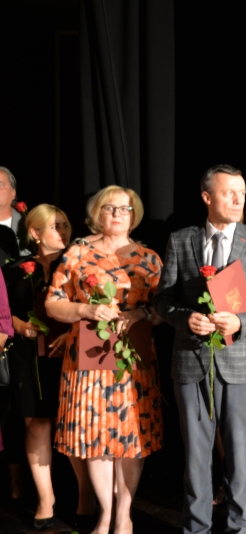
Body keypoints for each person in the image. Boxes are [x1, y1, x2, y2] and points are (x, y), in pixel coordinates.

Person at [154, 164, 246, 534]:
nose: (239, 199)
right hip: (191, 361)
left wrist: (242, 323)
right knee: (196, 454)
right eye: (230, 193)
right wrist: (185, 319)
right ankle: (197, 527)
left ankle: (244, 526)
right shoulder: (181, 240)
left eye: (242, 192)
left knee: (240, 453)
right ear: (207, 197)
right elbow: (163, 300)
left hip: (241, 363)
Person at [45, 186, 164, 534]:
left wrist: (141, 313)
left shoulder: (149, 258)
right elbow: (53, 303)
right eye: (110, 208)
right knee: (94, 437)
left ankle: (124, 514)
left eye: (125, 209)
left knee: (131, 437)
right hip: (88, 358)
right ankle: (106, 513)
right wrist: (86, 310)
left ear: (134, 215)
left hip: (132, 359)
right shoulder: (77, 253)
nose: (117, 214)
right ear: (97, 213)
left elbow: (164, 309)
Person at [3, 204, 76, 530]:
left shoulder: (78, 263)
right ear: (34, 232)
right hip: (28, 356)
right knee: (37, 424)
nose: (62, 231)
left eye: (65, 225)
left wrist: (72, 334)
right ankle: (45, 500)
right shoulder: (14, 269)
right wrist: (20, 326)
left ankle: (84, 497)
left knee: (73, 423)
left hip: (72, 355)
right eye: (54, 226)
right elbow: (4, 311)